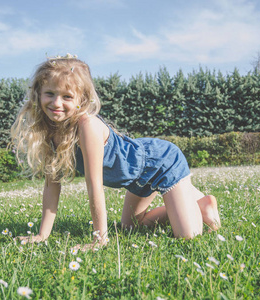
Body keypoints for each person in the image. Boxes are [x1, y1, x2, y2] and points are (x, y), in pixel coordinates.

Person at [11, 54, 220, 250]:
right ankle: (193, 204)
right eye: (50, 93)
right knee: (130, 227)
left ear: (81, 100)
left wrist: (99, 239)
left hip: (161, 162)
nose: (57, 103)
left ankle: (194, 203)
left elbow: (95, 186)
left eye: (67, 96)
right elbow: (51, 186)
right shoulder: (49, 132)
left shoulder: (87, 126)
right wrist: (42, 235)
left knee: (187, 236)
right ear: (38, 94)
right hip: (136, 180)